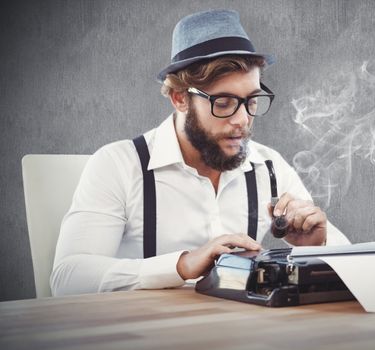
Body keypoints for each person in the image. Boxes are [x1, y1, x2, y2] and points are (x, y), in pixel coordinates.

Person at [51, 9, 350, 296]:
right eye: (223, 103)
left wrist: (314, 248)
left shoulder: (269, 166)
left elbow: (351, 265)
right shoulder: (118, 164)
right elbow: (67, 277)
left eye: (252, 101)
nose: (242, 120)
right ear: (180, 98)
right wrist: (181, 265)